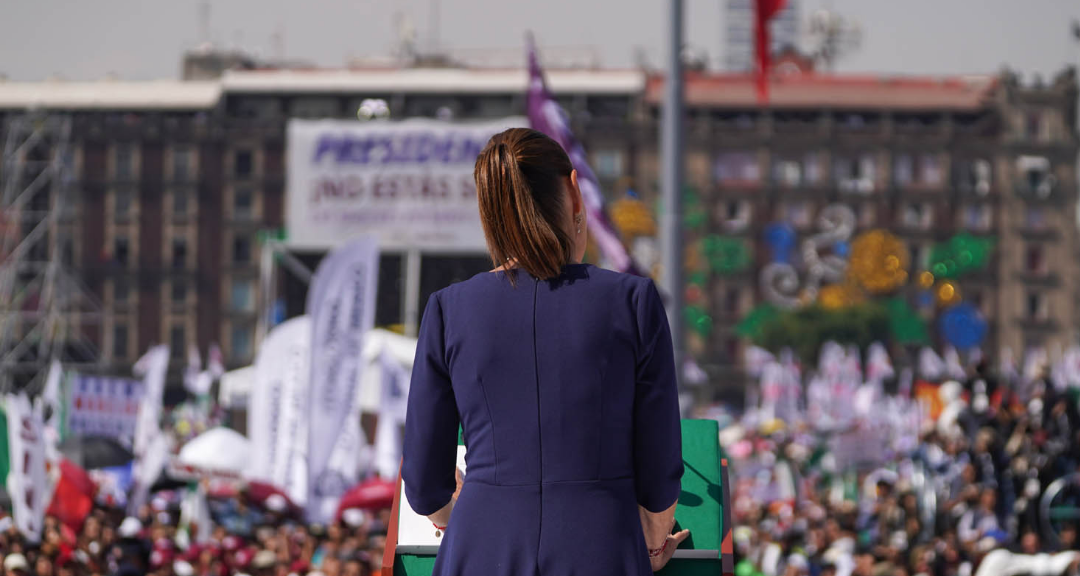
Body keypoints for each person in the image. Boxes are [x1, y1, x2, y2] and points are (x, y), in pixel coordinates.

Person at [402, 127, 686, 575]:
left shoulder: (448, 309)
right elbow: (659, 466)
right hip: (602, 544)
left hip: (478, 548)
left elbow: (422, 482)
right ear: (575, 193)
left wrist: (465, 521)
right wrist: (651, 545)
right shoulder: (633, 302)